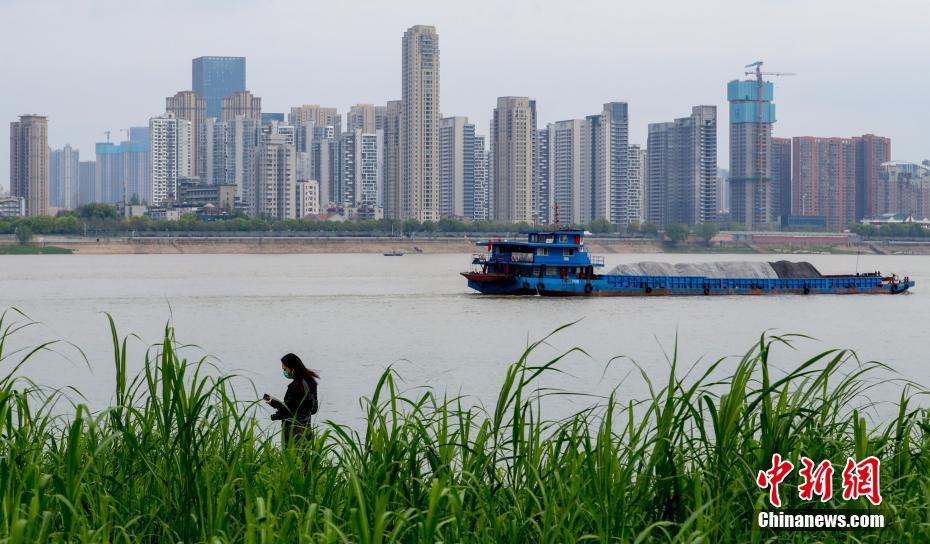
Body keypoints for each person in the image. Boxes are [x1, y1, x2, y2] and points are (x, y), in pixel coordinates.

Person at [264, 353, 319, 445]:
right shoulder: (311, 382)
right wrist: (275, 402)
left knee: (291, 454)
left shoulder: (294, 386)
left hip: (292, 434)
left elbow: (287, 411)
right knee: (305, 454)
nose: (284, 372)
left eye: (285, 369)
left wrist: (273, 405)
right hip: (307, 432)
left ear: (292, 368)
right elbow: (313, 409)